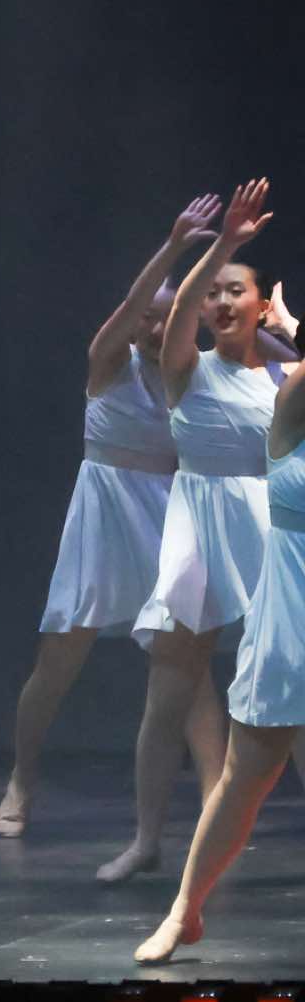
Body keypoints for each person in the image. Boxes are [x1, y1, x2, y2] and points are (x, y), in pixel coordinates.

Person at [0, 196, 227, 838]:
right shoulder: (109, 364)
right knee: (58, 662)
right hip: (103, 516)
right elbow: (128, 310)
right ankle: (22, 777)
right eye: (150, 318)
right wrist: (175, 246)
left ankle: (218, 800)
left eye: (170, 319)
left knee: (189, 667)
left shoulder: (197, 379)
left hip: (168, 519)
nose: (155, 328)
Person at [106, 179, 289, 883]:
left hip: (269, 530)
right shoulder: (186, 367)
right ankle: (147, 840)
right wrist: (223, 246)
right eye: (213, 292)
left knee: (293, 694)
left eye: (235, 290)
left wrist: (288, 329)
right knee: (168, 694)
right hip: (199, 531)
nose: (220, 301)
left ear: (260, 303)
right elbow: (179, 307)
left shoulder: (285, 375)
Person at [135, 265, 305, 962]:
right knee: (243, 777)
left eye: (238, 291)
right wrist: (286, 326)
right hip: (287, 618)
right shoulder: (287, 404)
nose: (224, 302)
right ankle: (185, 909)